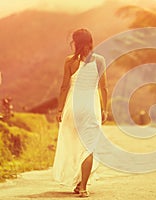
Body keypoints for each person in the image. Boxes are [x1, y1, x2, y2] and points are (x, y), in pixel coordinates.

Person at [53, 28, 108, 198]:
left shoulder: (69, 61)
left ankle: (78, 182)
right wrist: (105, 109)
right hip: (91, 107)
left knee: (73, 144)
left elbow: (64, 87)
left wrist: (60, 109)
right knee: (88, 147)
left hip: (72, 106)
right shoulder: (99, 60)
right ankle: (82, 187)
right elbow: (103, 88)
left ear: (75, 43)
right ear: (91, 41)